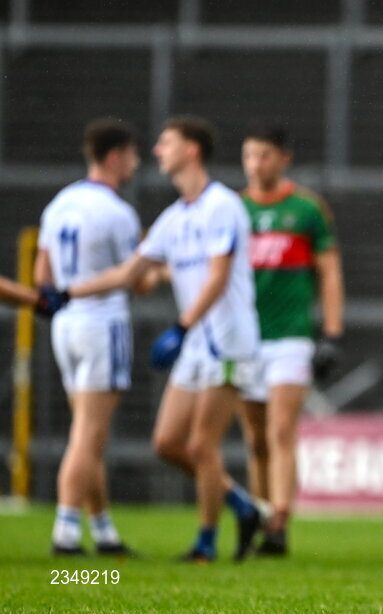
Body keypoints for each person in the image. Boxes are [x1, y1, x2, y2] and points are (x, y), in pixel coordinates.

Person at [66, 116, 263, 562]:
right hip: (196, 340)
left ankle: (206, 544)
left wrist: (181, 326)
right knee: (168, 444)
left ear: (191, 149)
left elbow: (218, 278)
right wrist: (65, 293)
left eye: (166, 142)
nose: (156, 150)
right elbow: (128, 272)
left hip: (226, 340)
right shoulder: (174, 219)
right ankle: (242, 505)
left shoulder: (222, 206)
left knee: (200, 445)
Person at [34, 118, 142, 557]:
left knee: (89, 433)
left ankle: (104, 532)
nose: (136, 164)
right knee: (89, 434)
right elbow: (135, 277)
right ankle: (65, 530)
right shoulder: (117, 212)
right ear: (114, 156)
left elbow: (43, 275)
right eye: (133, 155)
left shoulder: (60, 203)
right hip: (102, 324)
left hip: (66, 326)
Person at [236, 124, 345, 556]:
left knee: (281, 431)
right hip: (243, 340)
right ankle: (260, 516)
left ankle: (279, 523)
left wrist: (331, 333)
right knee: (255, 438)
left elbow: (330, 272)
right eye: (248, 155)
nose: (255, 165)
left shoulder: (306, 209)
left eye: (263, 155)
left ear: (284, 158)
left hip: (291, 338)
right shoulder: (233, 209)